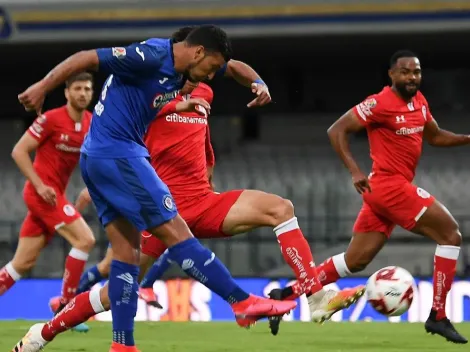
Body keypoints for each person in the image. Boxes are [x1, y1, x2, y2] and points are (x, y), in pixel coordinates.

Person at [16, 25, 295, 352]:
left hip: (101, 157)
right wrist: (43, 87)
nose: (210, 76)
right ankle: (240, 301)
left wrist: (251, 84)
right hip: (119, 154)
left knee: (126, 259)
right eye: (209, 67)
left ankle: (104, 343)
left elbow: (228, 69)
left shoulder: (182, 71)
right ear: (198, 52)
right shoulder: (150, 55)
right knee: (176, 231)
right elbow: (85, 57)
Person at [269, 50, 468, 343]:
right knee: (451, 236)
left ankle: (284, 295)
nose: (412, 77)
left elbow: (436, 136)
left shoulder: (419, 102)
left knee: (354, 260)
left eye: (416, 72)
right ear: (392, 74)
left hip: (383, 193)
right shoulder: (380, 103)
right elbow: (336, 130)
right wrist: (354, 170)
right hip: (389, 187)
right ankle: (438, 315)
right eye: (405, 72)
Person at [0, 72, 95, 321]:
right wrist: (40, 185)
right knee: (85, 240)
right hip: (41, 195)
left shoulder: (92, 124)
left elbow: (99, 160)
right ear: (66, 93)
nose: (83, 93)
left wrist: (91, 188)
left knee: (21, 263)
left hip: (56, 198)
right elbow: (19, 151)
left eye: (87, 89)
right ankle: (65, 304)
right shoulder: (51, 119)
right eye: (78, 89)